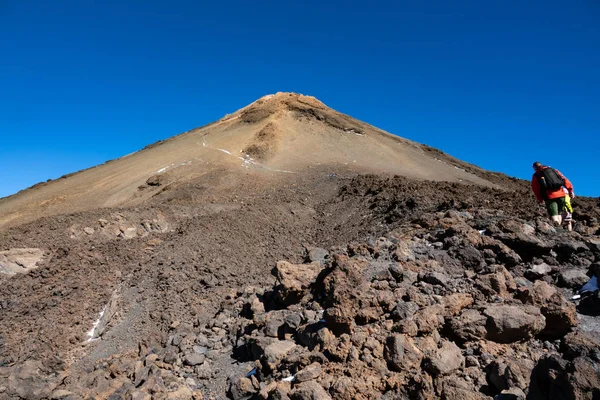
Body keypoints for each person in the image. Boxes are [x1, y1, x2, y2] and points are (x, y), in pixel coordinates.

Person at [531, 161, 575, 230]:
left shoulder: (536, 175)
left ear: (534, 167)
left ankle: (557, 229)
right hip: (561, 195)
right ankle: (558, 228)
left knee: (554, 214)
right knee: (559, 213)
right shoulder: (554, 170)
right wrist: (570, 190)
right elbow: (564, 179)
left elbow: (535, 188)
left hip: (549, 197)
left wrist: (540, 199)